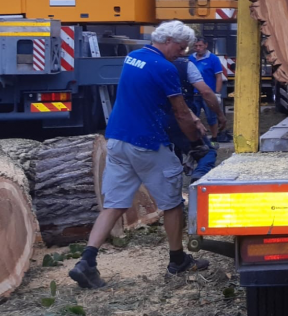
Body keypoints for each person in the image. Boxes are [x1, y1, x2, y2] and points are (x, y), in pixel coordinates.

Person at [69, 21, 211, 289]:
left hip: (118, 139)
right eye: (180, 47)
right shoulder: (165, 67)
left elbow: (151, 99)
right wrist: (195, 141)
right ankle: (177, 259)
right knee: (171, 203)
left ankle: (87, 260)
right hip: (148, 144)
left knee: (115, 204)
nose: (182, 53)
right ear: (167, 39)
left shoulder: (133, 58)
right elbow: (180, 111)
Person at [170, 55, 223, 182]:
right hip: (182, 118)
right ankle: (199, 175)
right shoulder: (185, 64)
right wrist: (220, 114)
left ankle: (175, 191)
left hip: (161, 122)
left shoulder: (145, 64)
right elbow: (205, 92)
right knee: (207, 151)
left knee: (173, 157)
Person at [189, 37, 228, 142]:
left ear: (206, 45)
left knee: (211, 117)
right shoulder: (190, 59)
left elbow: (218, 77)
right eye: (196, 46)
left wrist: (217, 93)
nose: (198, 48)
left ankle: (214, 138)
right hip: (193, 93)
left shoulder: (213, 59)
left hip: (208, 93)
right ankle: (195, 139)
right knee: (193, 117)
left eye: (200, 46)